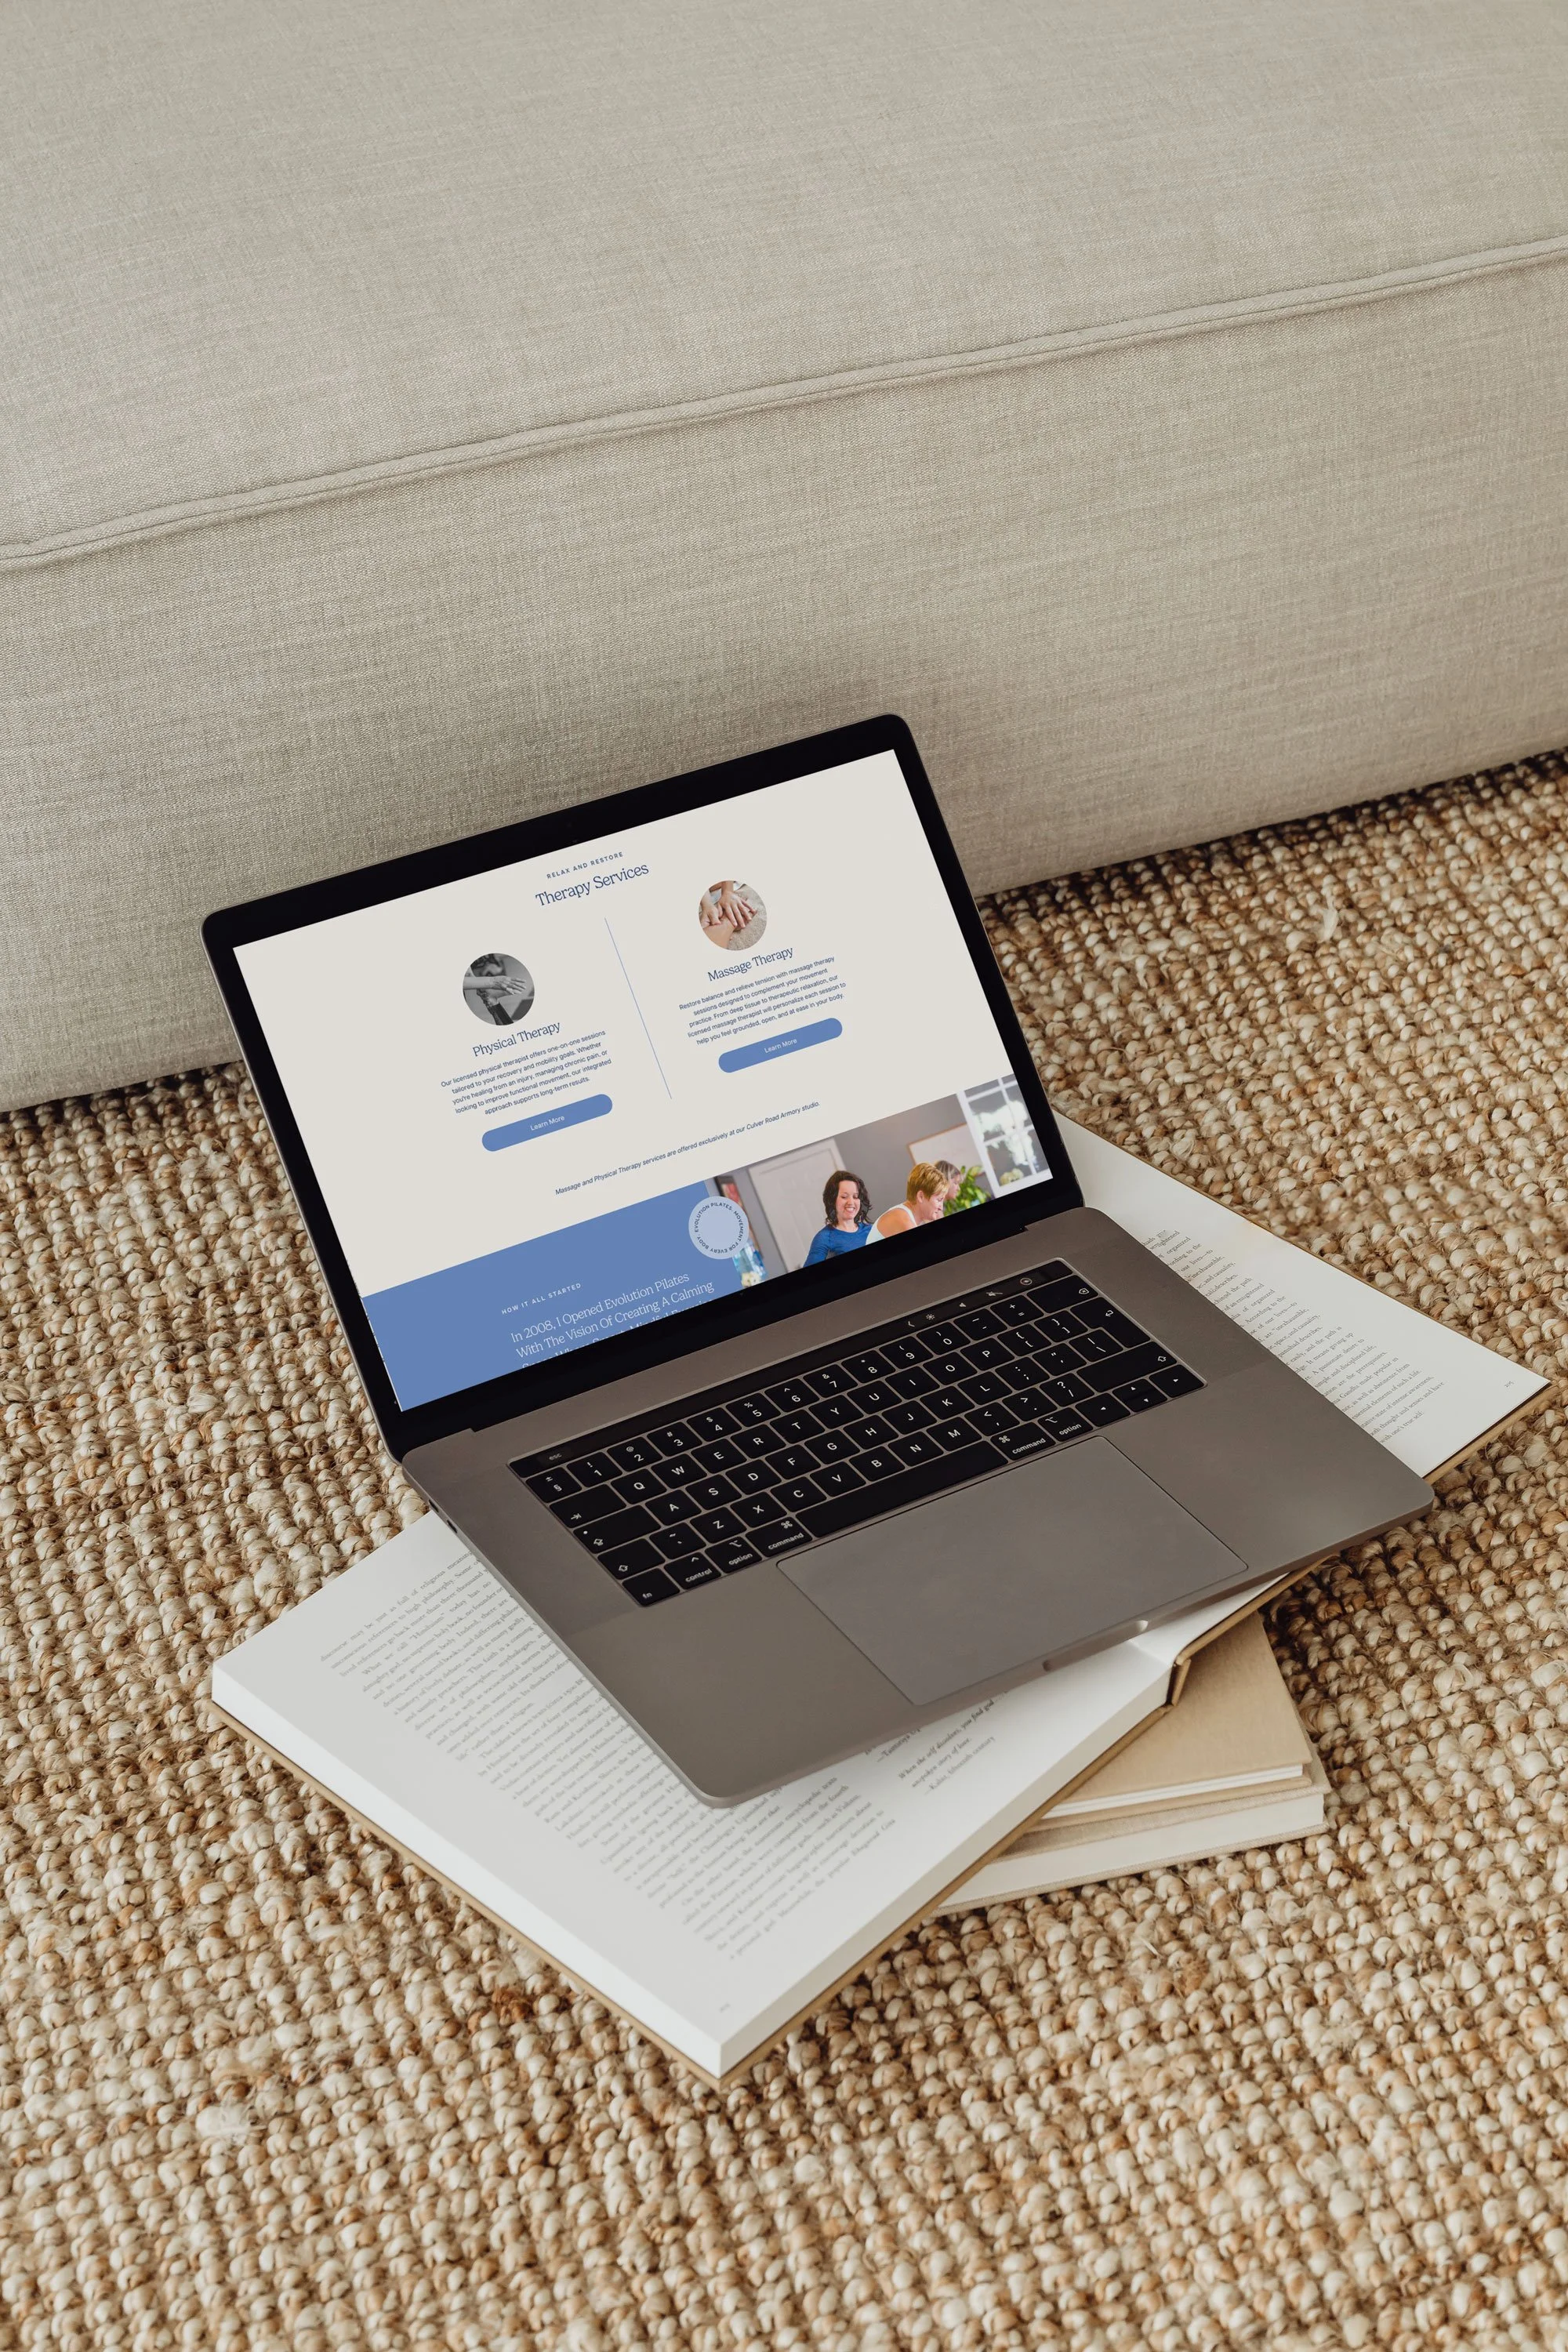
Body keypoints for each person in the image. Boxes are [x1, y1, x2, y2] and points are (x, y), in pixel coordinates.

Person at [801, 1171, 872, 1266]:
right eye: (844, 1197)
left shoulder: (871, 1230)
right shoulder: (824, 1238)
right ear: (832, 1200)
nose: (851, 1202)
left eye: (855, 1197)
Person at [873, 1162, 949, 1239]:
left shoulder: (908, 1216)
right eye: (939, 1200)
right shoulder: (904, 1222)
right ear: (921, 1197)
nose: (941, 1208)